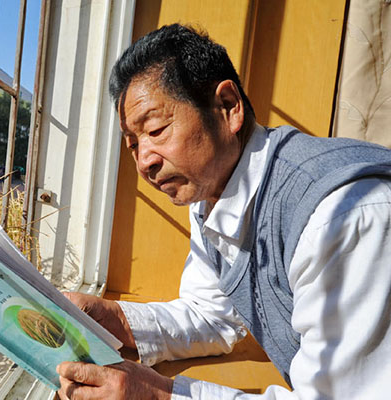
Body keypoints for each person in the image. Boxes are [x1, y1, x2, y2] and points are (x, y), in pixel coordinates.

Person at [56, 24, 391, 400]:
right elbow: (211, 316)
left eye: (157, 129)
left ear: (228, 107)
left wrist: (158, 395)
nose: (144, 162)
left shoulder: (343, 216)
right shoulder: (210, 195)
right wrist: (116, 319)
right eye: (132, 144)